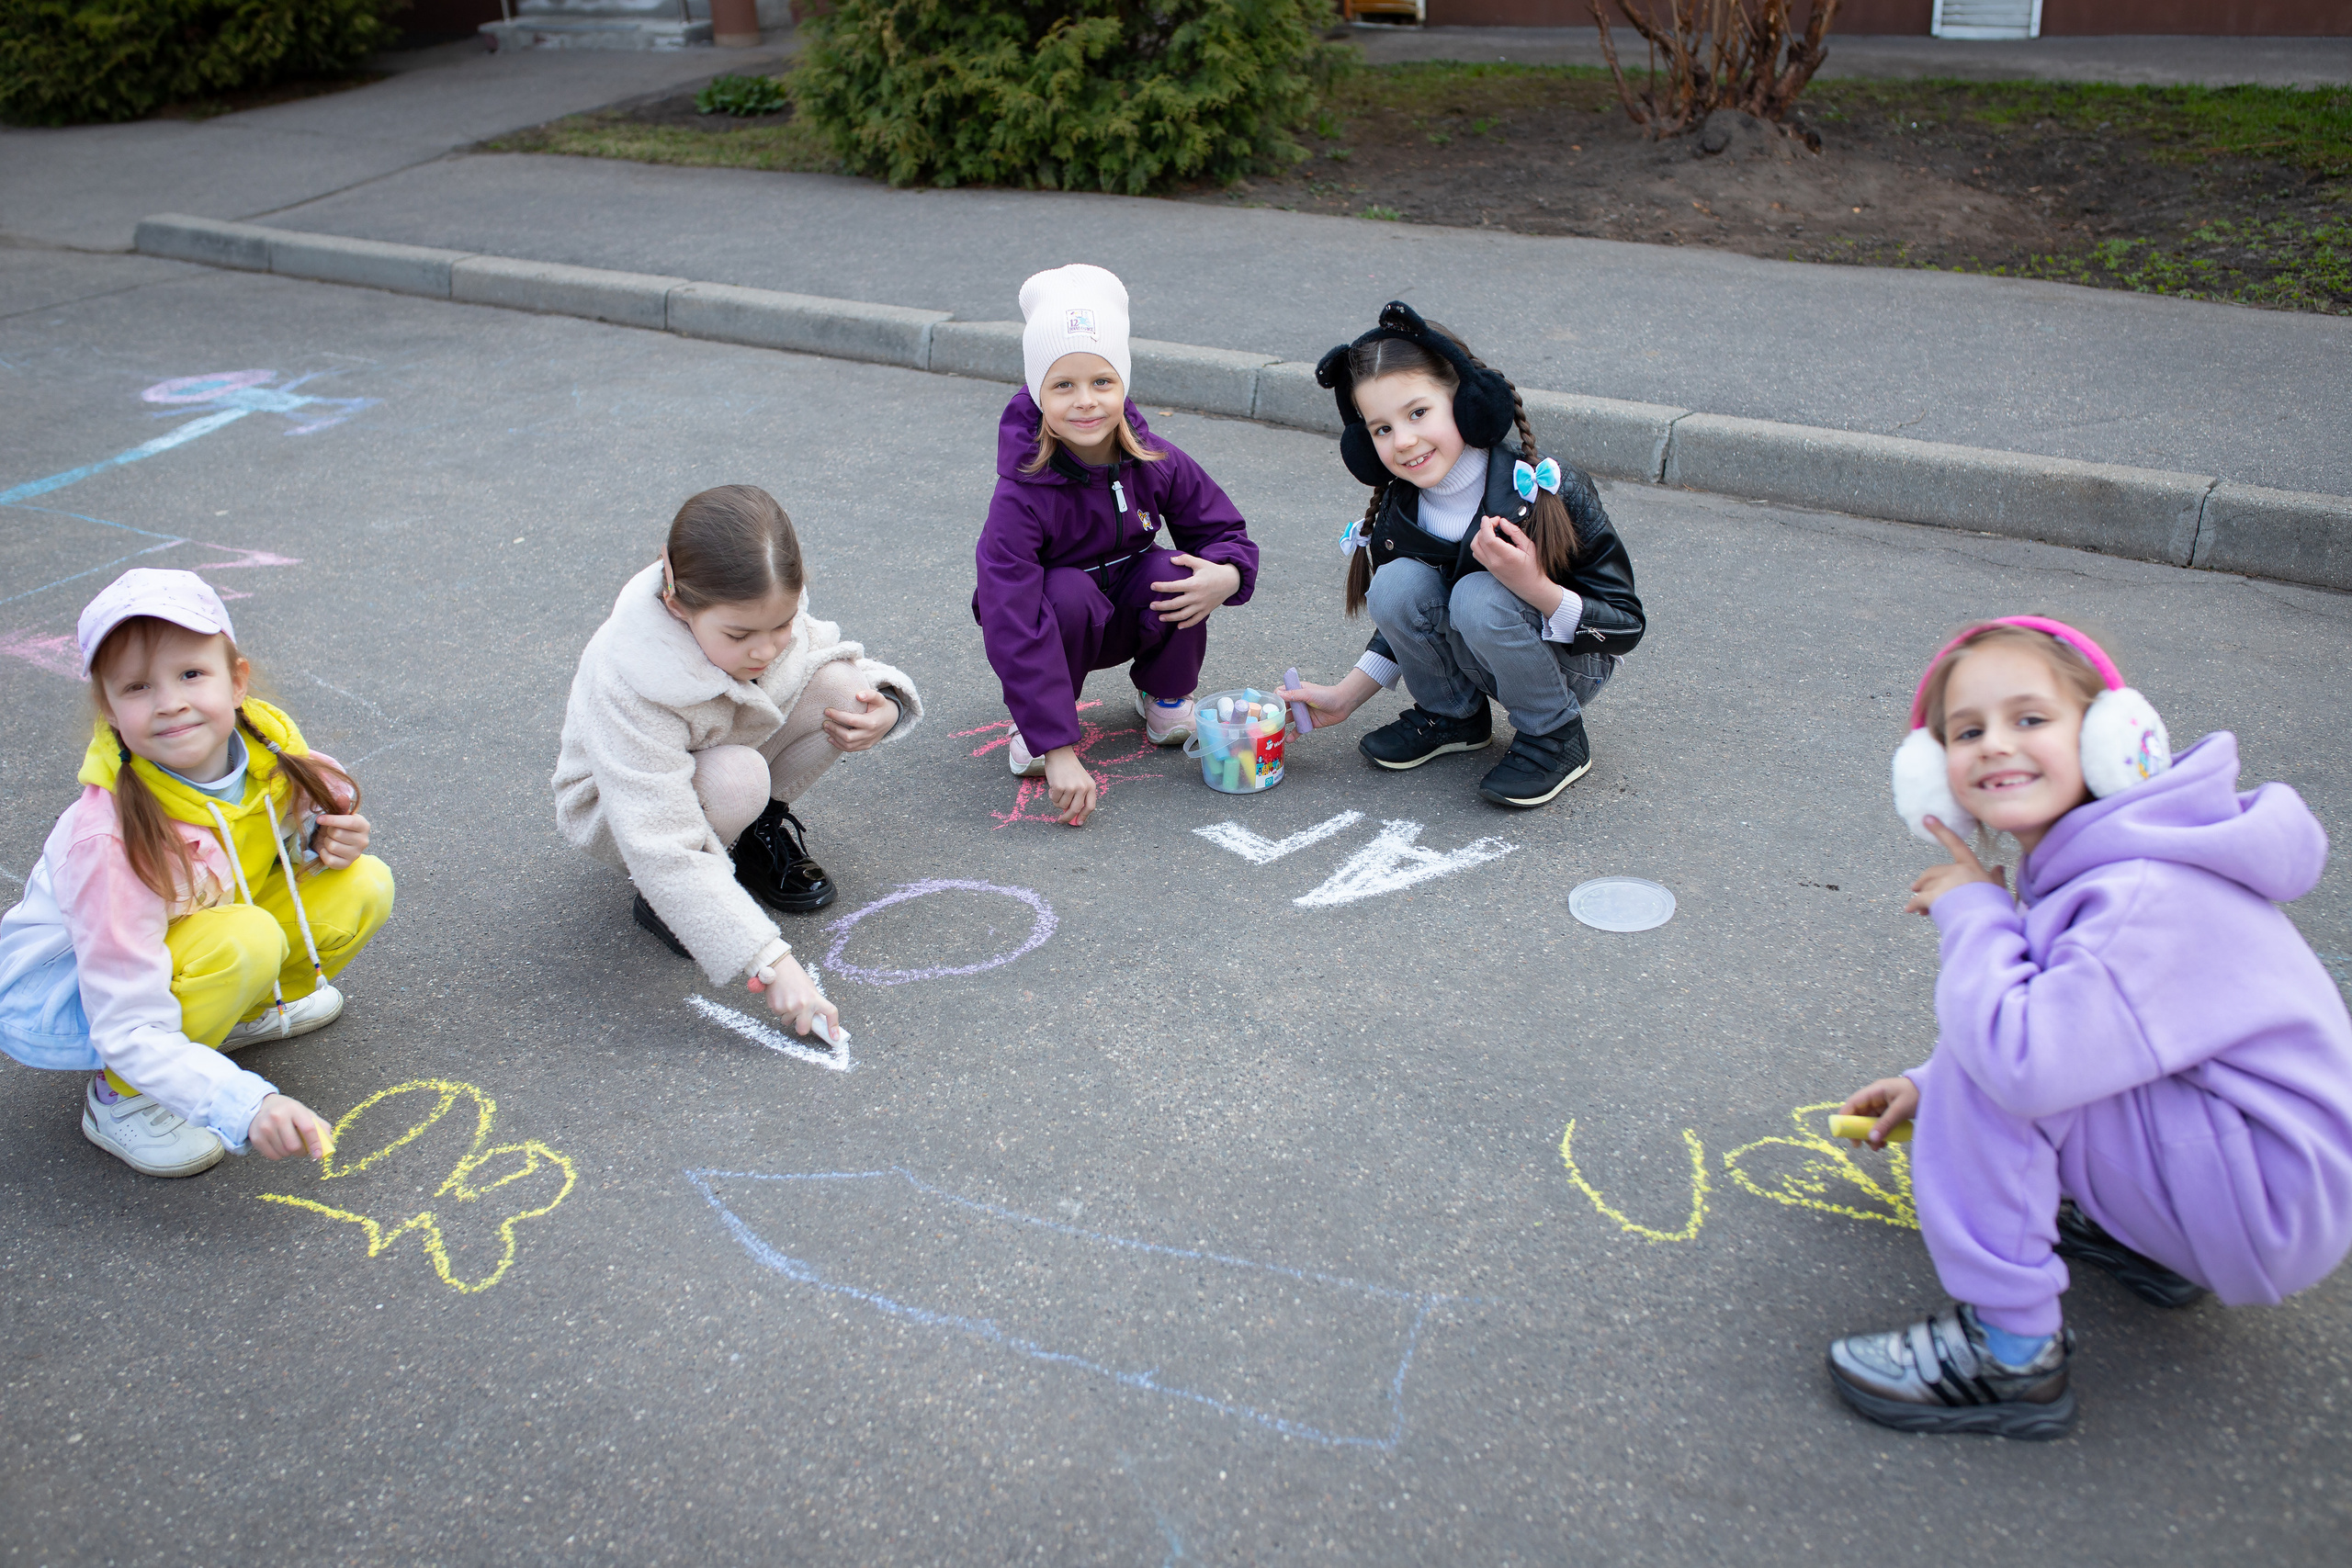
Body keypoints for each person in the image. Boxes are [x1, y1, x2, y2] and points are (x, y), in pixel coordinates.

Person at [1828, 616, 2352, 1438]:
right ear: (1935, 772)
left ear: (2113, 736)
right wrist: (1929, 1088)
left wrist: (1975, 912)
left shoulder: (2135, 890)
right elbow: (2090, 1022)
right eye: (1968, 731)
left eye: (2031, 719)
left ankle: (2011, 1354)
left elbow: (2024, 1060)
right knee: (1989, 1052)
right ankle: (2140, 1236)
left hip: (2260, 1201)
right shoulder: (2115, 857)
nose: (1997, 744)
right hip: (2264, 1178)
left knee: (1992, 1055)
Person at [0, 570, 393, 1177]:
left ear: (236, 681)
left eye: (190, 674)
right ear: (109, 708)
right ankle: (121, 1097)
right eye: (136, 686)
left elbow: (277, 824)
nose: (171, 702)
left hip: (195, 935)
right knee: (245, 939)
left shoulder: (265, 743)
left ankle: (234, 1015)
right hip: (97, 998)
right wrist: (243, 1102)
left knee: (363, 883)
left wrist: (324, 835)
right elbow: (125, 1020)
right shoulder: (109, 842)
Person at [554, 485, 920, 1041]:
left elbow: (825, 653)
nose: (766, 650)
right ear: (679, 607)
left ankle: (749, 836)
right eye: (740, 634)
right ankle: (667, 900)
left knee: (846, 691)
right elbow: (660, 838)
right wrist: (769, 960)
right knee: (735, 780)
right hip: (625, 812)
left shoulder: (760, 607)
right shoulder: (629, 674)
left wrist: (886, 708)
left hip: (717, 756)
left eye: (781, 623)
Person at [1280, 301, 1645, 808]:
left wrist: (1534, 586)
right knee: (1395, 583)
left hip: (1570, 662)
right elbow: (1406, 615)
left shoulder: (1547, 489)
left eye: (1418, 413)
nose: (1403, 441)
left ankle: (1555, 734)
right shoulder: (1399, 508)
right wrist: (1345, 697)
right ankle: (1452, 714)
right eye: (1382, 429)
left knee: (1479, 595)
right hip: (1479, 647)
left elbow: (1626, 624)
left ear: (1469, 402)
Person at [975, 263, 1260, 827]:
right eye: (1063, 385)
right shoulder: (1021, 493)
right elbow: (1010, 615)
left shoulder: (1157, 460)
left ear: (1123, 383)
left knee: (1177, 568)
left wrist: (1227, 575)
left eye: (1101, 381)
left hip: (1129, 607)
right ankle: (1040, 722)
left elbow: (1223, 531)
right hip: (1060, 620)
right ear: (1037, 393)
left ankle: (1166, 697)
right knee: (1067, 589)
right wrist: (1055, 747)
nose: (1086, 401)